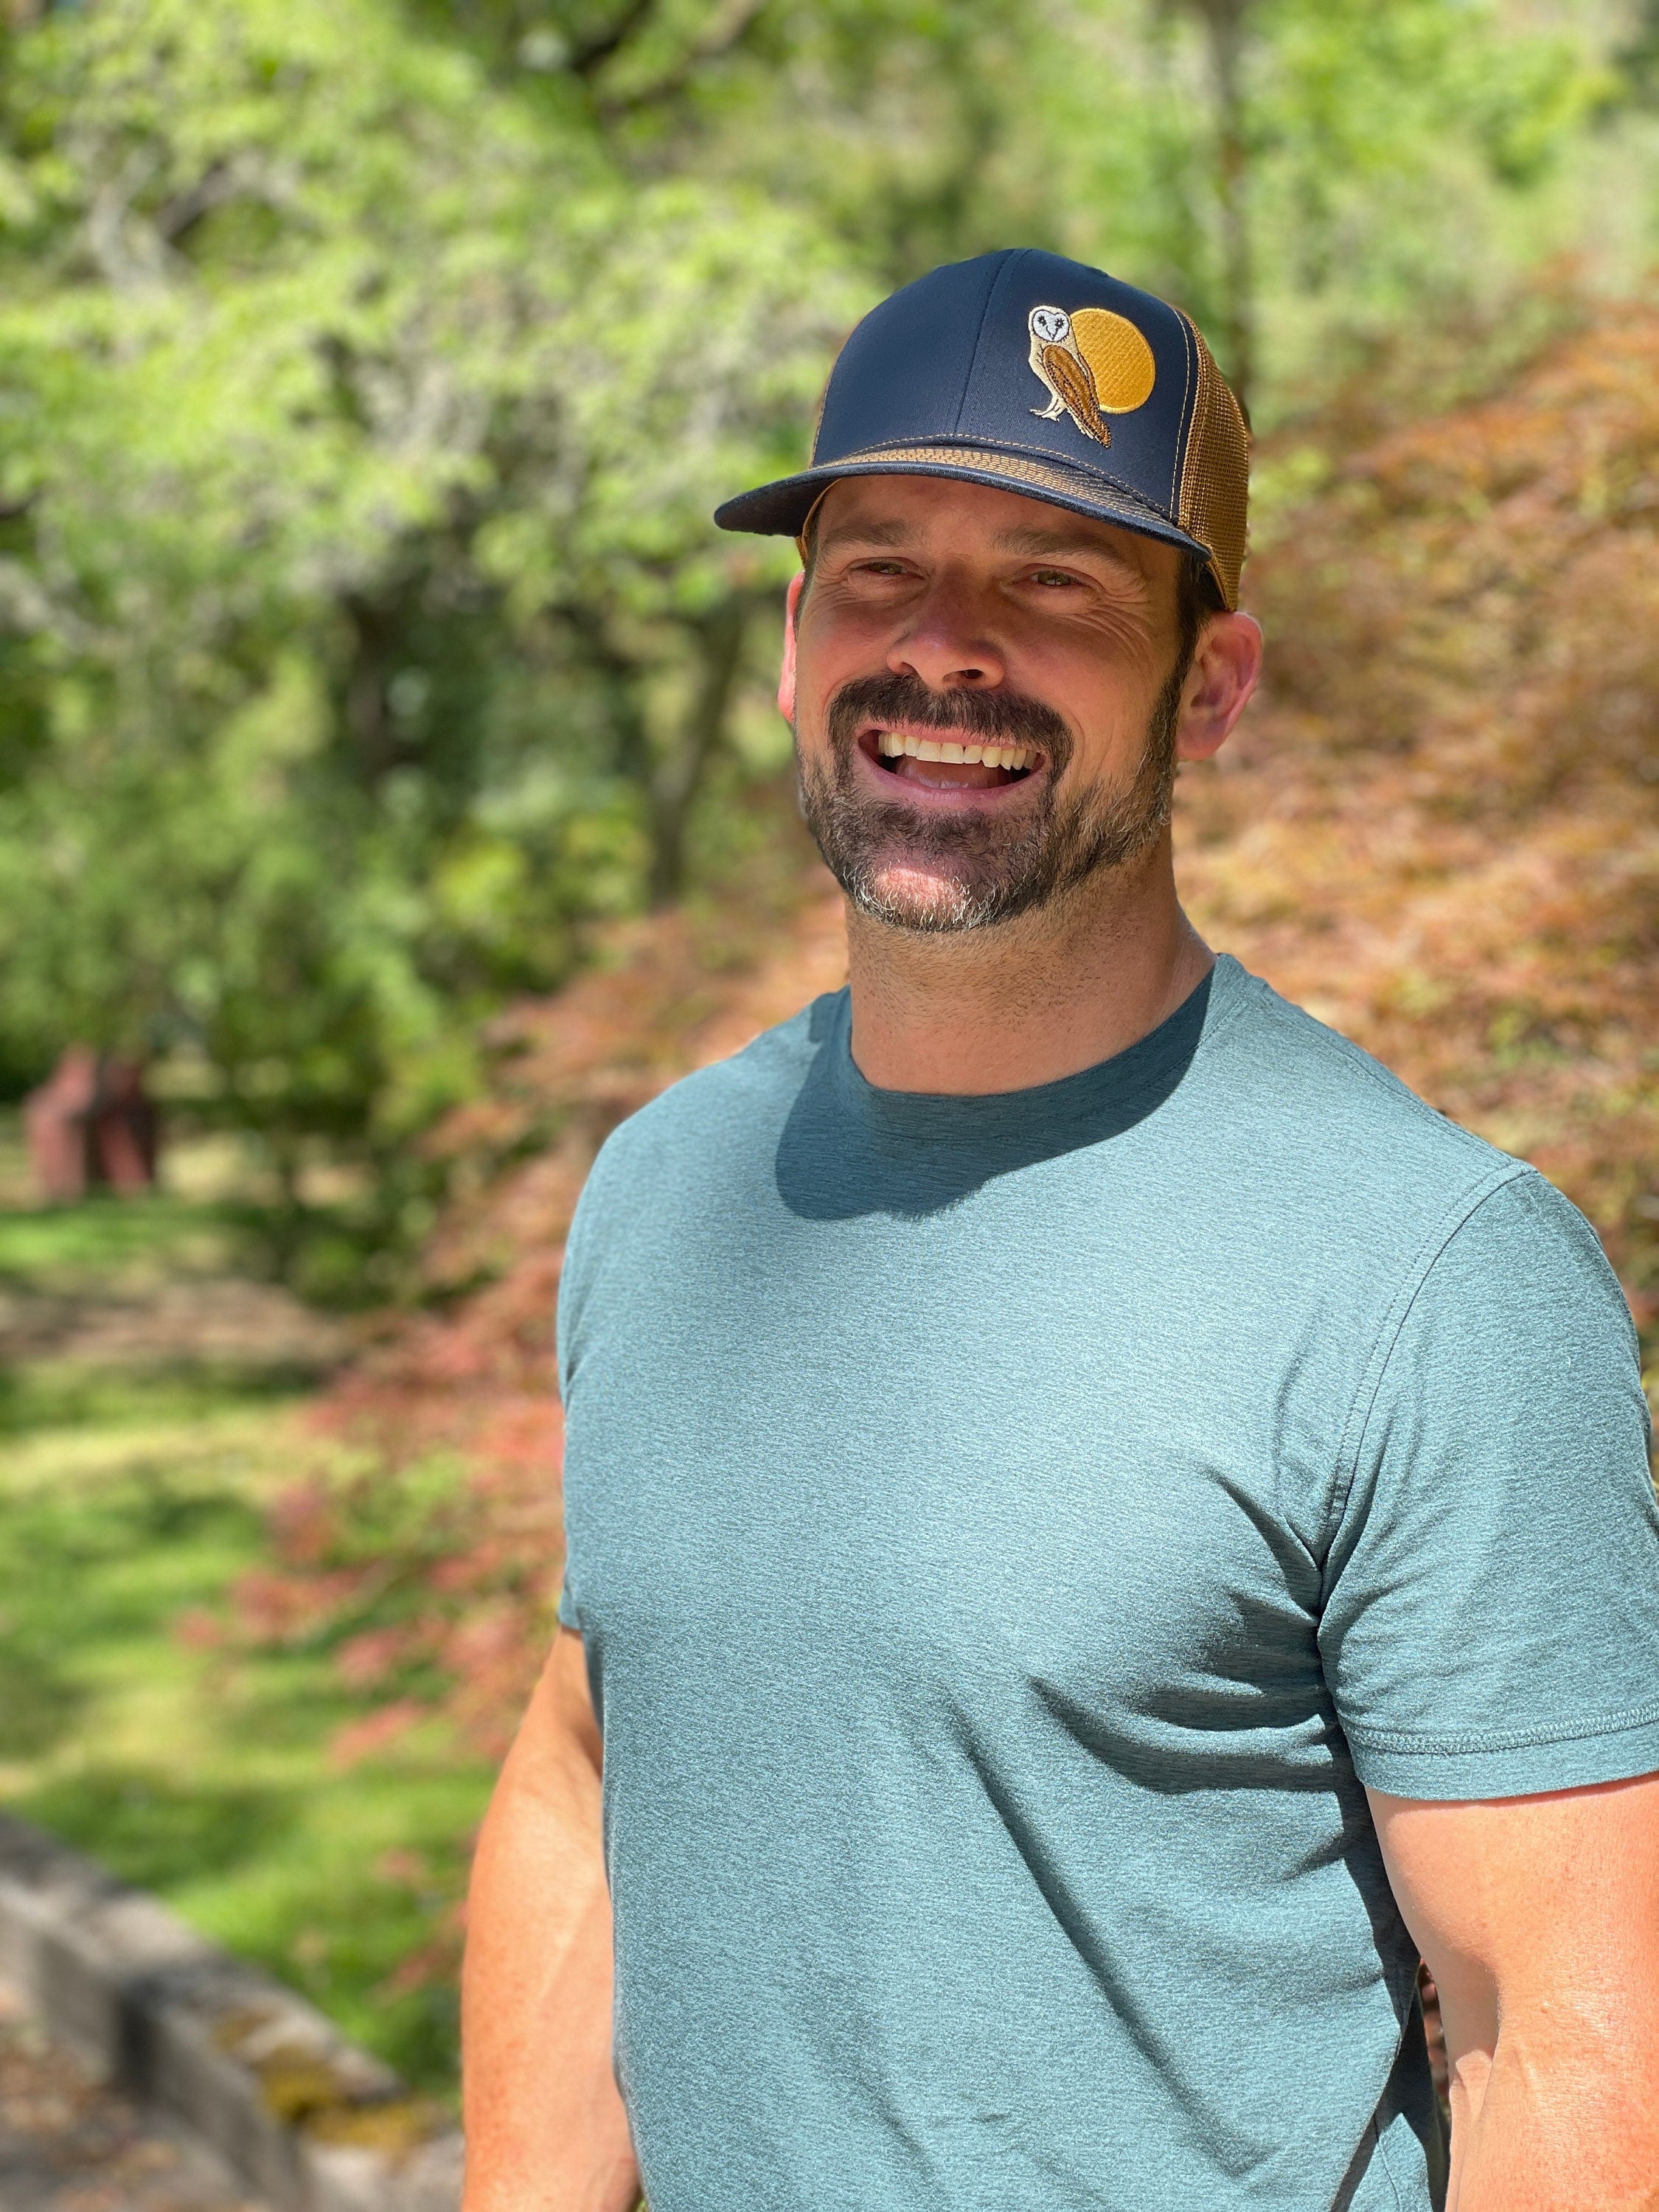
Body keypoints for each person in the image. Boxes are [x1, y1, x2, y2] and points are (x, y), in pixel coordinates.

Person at [462, 250, 1659, 2212]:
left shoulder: (1426, 1274)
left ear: (1211, 685)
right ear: (789, 645)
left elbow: (1567, 2045)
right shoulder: (674, 1189)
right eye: (878, 567)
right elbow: (595, 1769)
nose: (944, 648)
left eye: (1053, 583)